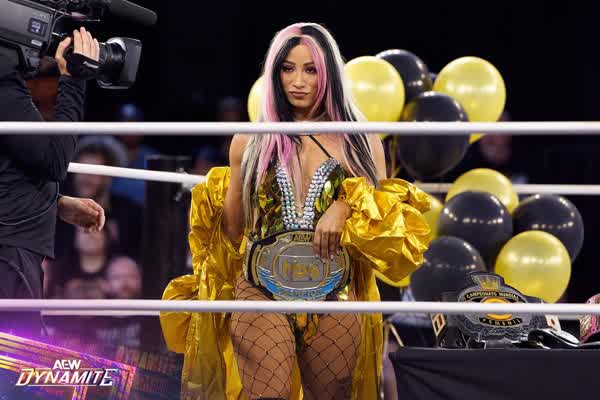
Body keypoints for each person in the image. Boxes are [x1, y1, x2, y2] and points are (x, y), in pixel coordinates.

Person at [161, 22, 431, 400]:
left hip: (337, 289)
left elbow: (382, 222)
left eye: (311, 70)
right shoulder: (250, 140)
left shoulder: (361, 141)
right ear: (274, 74)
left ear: (329, 74)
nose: (298, 82)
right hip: (261, 286)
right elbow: (234, 232)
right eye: (287, 69)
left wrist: (343, 207)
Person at [0, 28, 106, 338]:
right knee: (16, 362)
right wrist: (74, 80)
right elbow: (55, 160)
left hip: (14, 251)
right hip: (9, 256)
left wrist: (54, 204)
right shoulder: (3, 85)